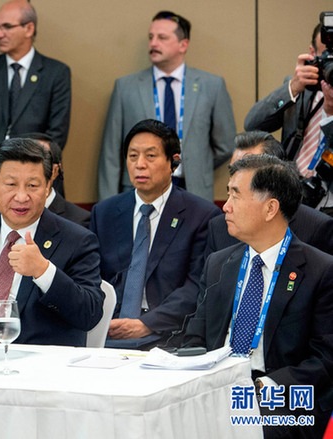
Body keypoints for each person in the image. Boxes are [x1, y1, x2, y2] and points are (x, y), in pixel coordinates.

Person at [184, 154, 333, 438]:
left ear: (270, 208)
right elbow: (195, 337)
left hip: (280, 399)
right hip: (214, 389)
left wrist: (264, 387)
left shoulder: (320, 271)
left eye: (236, 195)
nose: (225, 206)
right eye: (227, 194)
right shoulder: (219, 264)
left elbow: (325, 359)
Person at [0, 138, 103, 347]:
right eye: (11, 184)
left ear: (48, 186)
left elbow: (89, 315)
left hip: (37, 363)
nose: (21, 197)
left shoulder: (77, 240)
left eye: (32, 185)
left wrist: (43, 271)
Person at [90, 119, 220, 349]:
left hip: (167, 335)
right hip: (109, 330)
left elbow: (197, 286)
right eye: (133, 156)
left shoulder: (201, 215)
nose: (140, 165)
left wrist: (146, 324)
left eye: (150, 156)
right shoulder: (104, 213)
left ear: (174, 162)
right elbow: (91, 277)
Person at [98, 10, 235, 202]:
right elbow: (111, 154)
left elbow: (226, 145)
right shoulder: (125, 87)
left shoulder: (212, 86)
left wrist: (194, 165)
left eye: (162, 38)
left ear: (183, 44)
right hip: (139, 191)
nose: (153, 43)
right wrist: (108, 205)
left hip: (192, 190)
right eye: (151, 37)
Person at [0, 0, 71, 214]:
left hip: (36, 193)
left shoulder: (56, 73)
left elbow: (56, 135)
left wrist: (27, 181)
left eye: (7, 27)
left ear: (29, 28)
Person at [205, 130, 333, 257]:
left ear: (277, 173)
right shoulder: (218, 228)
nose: (237, 177)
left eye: (249, 170)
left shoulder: (316, 228)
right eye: (233, 170)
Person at [244, 24, 326, 177]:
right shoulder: (302, 87)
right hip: (295, 184)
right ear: (312, 53)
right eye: (327, 55)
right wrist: (292, 89)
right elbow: (252, 125)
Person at [17, 132, 90, 228]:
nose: (26, 170)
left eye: (36, 162)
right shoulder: (2, 213)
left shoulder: (78, 221)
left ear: (55, 171)